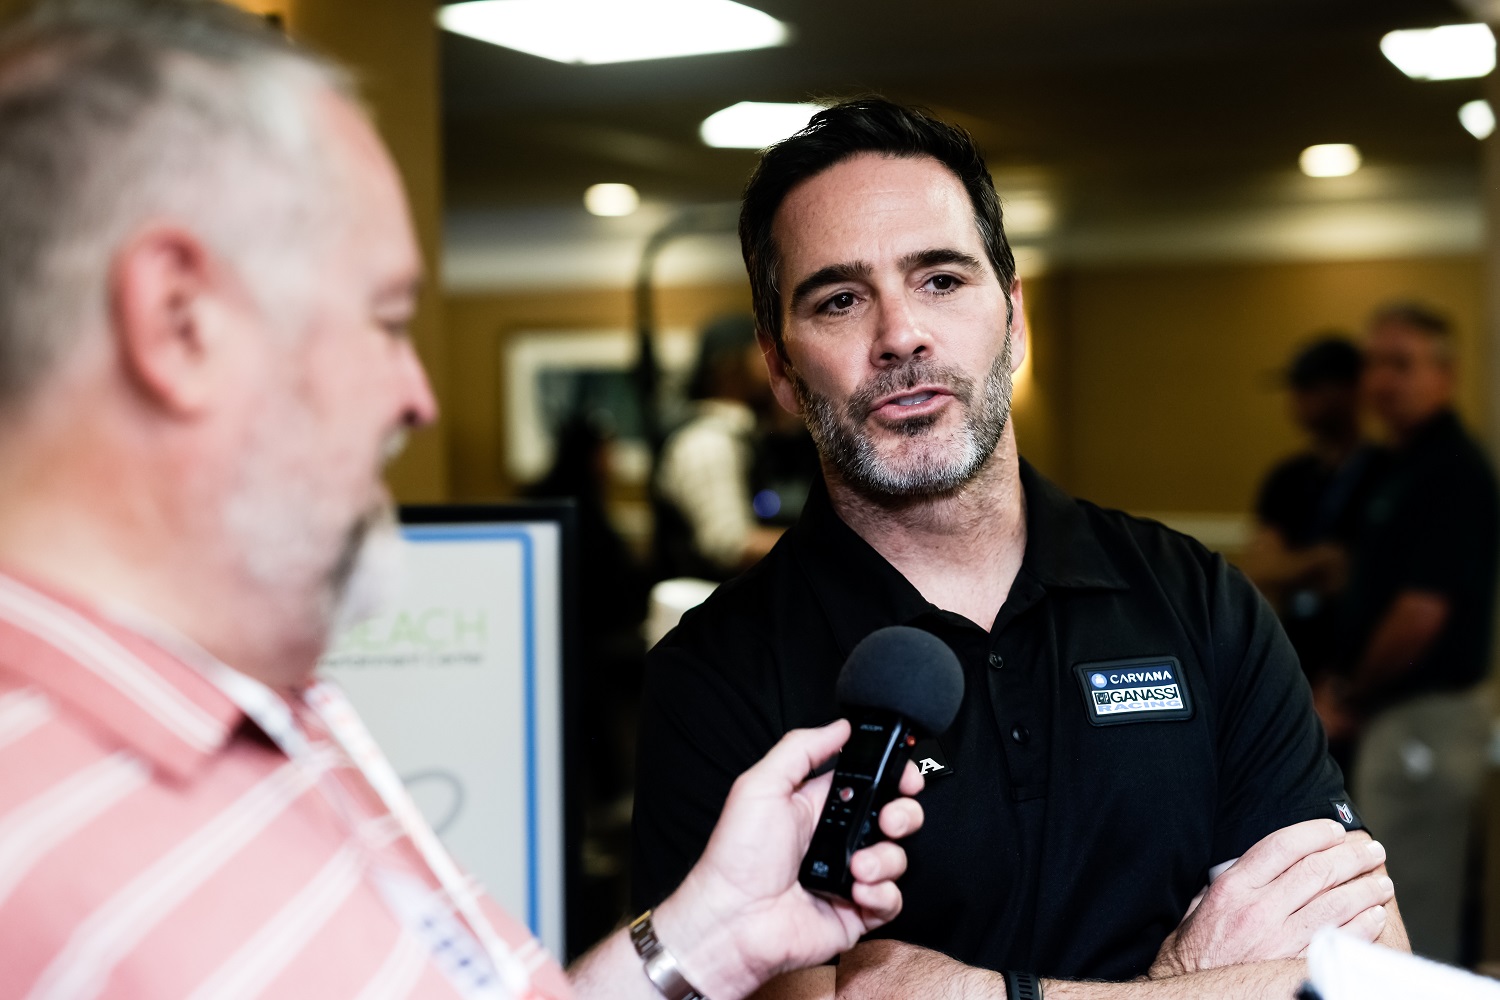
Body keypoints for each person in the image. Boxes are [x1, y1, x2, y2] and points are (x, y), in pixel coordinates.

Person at [0, 4, 926, 999]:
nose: (420, 396)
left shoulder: (279, 708)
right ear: (180, 322)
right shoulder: (28, 843)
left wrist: (706, 937)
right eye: (386, 320)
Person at [631, 98, 1408, 999]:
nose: (900, 336)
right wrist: (1204, 981)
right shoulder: (714, 675)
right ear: (778, 366)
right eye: (840, 300)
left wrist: (974, 992)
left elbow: (1374, 966)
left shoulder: (1200, 604)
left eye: (941, 280)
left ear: (1014, 314)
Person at [1325, 302, 1500, 964]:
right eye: (1375, 364)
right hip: (1392, 715)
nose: (1384, 381)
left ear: (1445, 376)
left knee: (1411, 911)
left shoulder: (1451, 470)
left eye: (1403, 364)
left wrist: (1346, 692)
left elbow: (1421, 614)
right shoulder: (1395, 466)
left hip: (1423, 717)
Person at [1242, 336, 1385, 756]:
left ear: (1349, 391)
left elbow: (1360, 577)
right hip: (1297, 662)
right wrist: (1319, 561)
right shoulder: (1289, 477)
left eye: (1312, 387)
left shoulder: (1385, 473)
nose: (1299, 400)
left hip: (1360, 675)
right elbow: (1260, 568)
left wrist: (1296, 565)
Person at [655, 313, 783, 580]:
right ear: (729, 367)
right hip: (705, 611)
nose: (776, 366)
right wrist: (829, 549)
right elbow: (729, 545)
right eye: (762, 354)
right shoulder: (707, 443)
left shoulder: (741, 436)